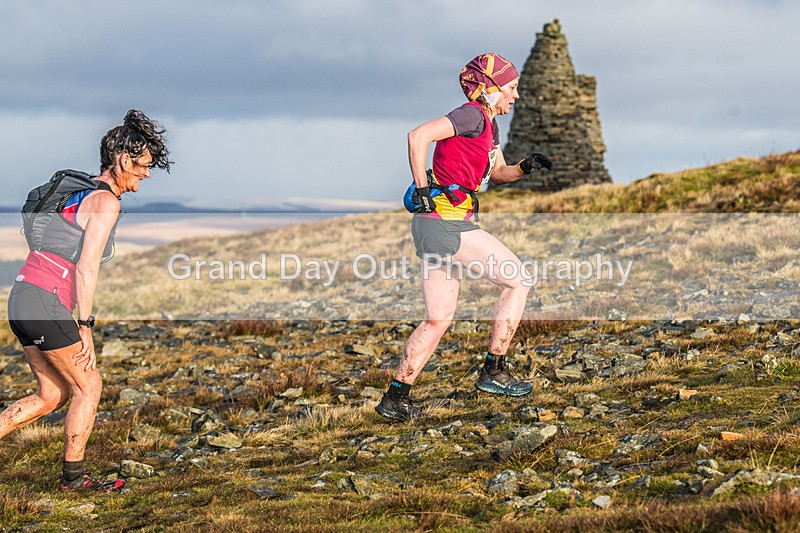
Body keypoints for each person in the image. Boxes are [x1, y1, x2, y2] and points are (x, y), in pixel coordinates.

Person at [0, 110, 172, 491]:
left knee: (52, 394)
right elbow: (87, 267)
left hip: (23, 295)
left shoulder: (79, 190)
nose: (145, 176)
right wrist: (86, 326)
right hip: (45, 300)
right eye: (143, 167)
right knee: (89, 386)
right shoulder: (105, 202)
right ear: (123, 160)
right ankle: (73, 481)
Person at [376, 53, 553, 422]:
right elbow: (418, 135)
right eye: (511, 88)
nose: (516, 96)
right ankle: (494, 371)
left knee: (438, 318)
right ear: (489, 88)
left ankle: (396, 397)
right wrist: (423, 187)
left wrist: (525, 167)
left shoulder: (488, 125)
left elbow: (498, 174)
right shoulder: (471, 115)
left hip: (432, 226)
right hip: (446, 223)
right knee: (519, 279)